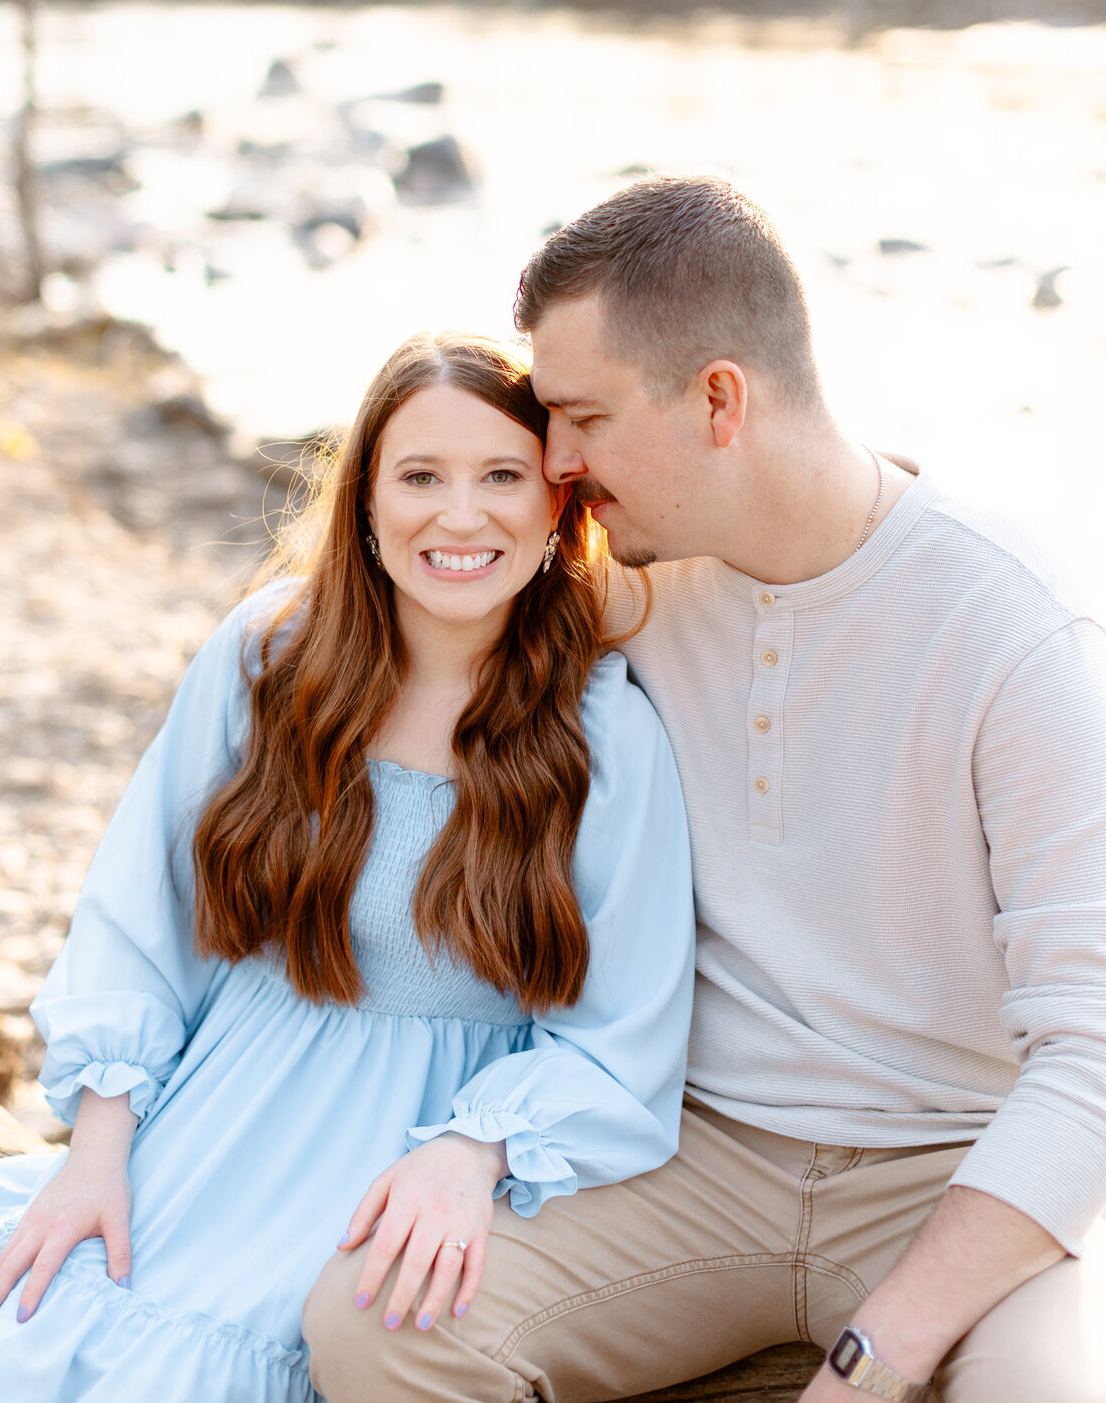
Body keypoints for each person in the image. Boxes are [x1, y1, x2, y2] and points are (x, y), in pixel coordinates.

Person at [306, 177, 1106, 1403]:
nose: (556, 463)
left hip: (949, 1168)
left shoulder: (1018, 632)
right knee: (380, 1321)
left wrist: (874, 1358)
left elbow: (1090, 1059)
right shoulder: (631, 593)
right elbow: (407, 600)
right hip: (693, 1150)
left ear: (719, 400)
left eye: (581, 417)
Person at [0, 331, 695, 1403]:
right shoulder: (268, 656)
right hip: (217, 1125)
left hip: (419, 1163)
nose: (461, 516)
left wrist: (475, 1154)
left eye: (503, 477)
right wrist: (95, 1150)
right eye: (420, 476)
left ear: (557, 508)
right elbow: (143, 918)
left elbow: (624, 1037)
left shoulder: (604, 734)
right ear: (367, 505)